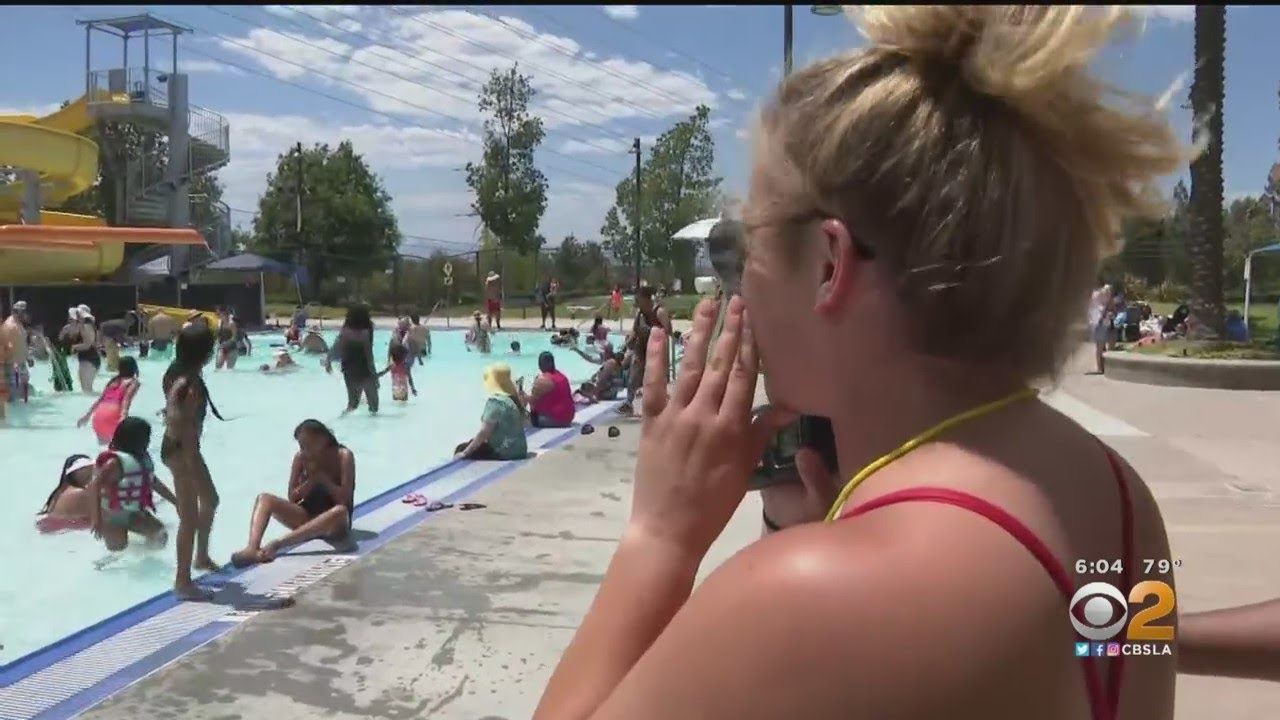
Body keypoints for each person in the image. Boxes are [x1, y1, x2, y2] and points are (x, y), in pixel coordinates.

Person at [532, 7, 1190, 720]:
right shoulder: (1121, 500)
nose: (736, 283)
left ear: (828, 264)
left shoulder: (808, 597)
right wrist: (833, 531)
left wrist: (657, 538)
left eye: (738, 247)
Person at [230, 419, 356, 568]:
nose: (303, 450)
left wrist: (323, 480)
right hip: (306, 518)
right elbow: (293, 498)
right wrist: (311, 481)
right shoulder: (301, 458)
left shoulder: (343, 456)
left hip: (333, 525)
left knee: (340, 511)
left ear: (322, 439)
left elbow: (345, 499)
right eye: (301, 446)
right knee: (265, 498)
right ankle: (252, 547)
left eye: (307, 445)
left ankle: (278, 544)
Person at [162, 324, 224, 600]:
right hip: (183, 450)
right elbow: (176, 408)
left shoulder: (178, 371)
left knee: (210, 500)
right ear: (206, 352)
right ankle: (183, 581)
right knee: (189, 517)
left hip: (180, 447)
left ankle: (200, 558)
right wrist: (188, 451)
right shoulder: (187, 381)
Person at [88, 417, 176, 552]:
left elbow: (153, 482)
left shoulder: (142, 460)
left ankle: (145, 562)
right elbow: (95, 485)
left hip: (134, 512)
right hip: (112, 515)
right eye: (145, 438)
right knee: (117, 550)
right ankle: (102, 565)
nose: (148, 442)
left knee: (160, 534)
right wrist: (96, 518)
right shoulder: (114, 462)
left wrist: (176, 502)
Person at [454, 363, 528, 461]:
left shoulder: (495, 402)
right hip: (521, 450)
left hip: (505, 452)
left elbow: (484, 432)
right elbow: (526, 422)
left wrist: (465, 453)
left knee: (461, 448)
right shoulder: (512, 399)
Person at [617, 285, 671, 415]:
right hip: (640, 350)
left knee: (655, 379)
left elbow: (668, 330)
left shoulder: (659, 312)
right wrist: (626, 345)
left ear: (646, 299)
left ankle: (659, 405)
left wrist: (652, 331)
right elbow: (634, 330)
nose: (637, 302)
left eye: (639, 299)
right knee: (632, 379)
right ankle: (628, 403)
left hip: (656, 352)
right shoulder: (640, 314)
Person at [324, 305, 380, 415]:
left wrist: (328, 361)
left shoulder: (345, 331)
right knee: (374, 407)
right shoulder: (366, 332)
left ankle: (341, 420)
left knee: (352, 405)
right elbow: (369, 355)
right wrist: (374, 375)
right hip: (364, 370)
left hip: (348, 369)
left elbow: (337, 346)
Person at [77, 356, 141, 444]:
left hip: (98, 415)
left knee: (102, 449)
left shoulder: (113, 381)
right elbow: (126, 399)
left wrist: (86, 416)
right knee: (120, 448)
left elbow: (100, 399)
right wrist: (123, 417)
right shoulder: (133, 382)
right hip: (114, 413)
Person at [36, 454, 97, 533]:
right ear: (74, 472)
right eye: (85, 468)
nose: (92, 470)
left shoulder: (58, 493)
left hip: (51, 529)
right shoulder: (80, 493)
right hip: (67, 532)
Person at [520, 351, 575, 428]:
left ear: (540, 364)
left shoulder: (543, 379)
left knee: (525, 410)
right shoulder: (562, 376)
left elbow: (533, 401)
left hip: (553, 420)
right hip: (568, 418)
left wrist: (522, 394)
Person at [1, 300, 32, 403]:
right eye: (25, 313)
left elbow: (21, 344)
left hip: (21, 364)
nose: (27, 315)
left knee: (23, 396)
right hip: (12, 366)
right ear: (19, 312)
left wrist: (28, 358)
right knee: (13, 398)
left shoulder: (19, 324)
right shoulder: (9, 326)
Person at [68, 310, 101, 394]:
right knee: (85, 389)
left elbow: (88, 344)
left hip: (90, 359)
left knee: (87, 389)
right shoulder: (83, 327)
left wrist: (73, 347)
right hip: (85, 359)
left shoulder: (87, 327)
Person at [1088, 282, 1114, 374]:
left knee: (1100, 346)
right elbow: (1108, 305)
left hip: (1099, 322)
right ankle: (1100, 367)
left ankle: (1101, 367)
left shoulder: (1095, 294)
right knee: (1100, 346)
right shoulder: (1100, 294)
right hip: (1099, 322)